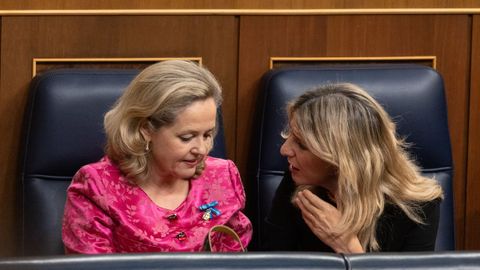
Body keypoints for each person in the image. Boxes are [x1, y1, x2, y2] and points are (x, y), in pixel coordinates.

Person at [62, 60, 252, 253]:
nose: (202, 149)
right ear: (145, 129)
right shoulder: (97, 187)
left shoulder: (221, 178)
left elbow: (235, 261)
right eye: (187, 137)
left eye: (207, 135)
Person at [263, 83, 443, 253]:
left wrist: (348, 248)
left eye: (301, 144)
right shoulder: (298, 182)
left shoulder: (418, 207)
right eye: (289, 137)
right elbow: (272, 265)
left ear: (341, 158)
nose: (284, 150)